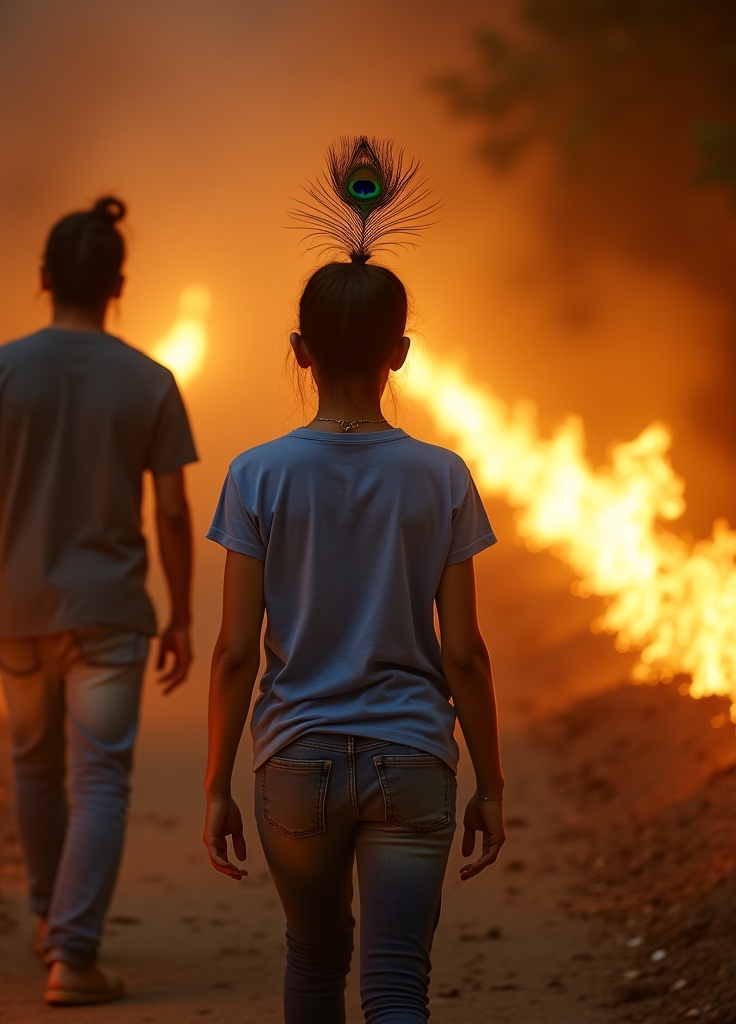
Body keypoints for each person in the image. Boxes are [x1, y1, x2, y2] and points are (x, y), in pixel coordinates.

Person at [202, 138, 506, 1024]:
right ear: (400, 353)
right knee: (396, 987)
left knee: (313, 963)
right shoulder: (443, 478)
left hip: (296, 766)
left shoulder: (257, 476)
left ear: (299, 350)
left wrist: (218, 781)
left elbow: (231, 652)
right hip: (413, 762)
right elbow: (466, 655)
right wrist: (490, 780)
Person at [0, 195, 197, 1006]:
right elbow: (168, 509)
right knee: (99, 783)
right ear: (118, 283)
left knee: (35, 769)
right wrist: (183, 611)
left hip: (17, 611)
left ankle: (47, 917)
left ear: (44, 278)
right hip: (109, 613)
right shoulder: (151, 381)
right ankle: (73, 953)